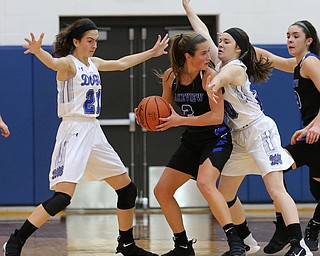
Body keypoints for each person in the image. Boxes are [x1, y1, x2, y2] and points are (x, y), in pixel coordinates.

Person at [2, 18, 169, 256]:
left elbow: (121, 63)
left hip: (94, 131)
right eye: (89, 41)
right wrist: (39, 51)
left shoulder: (94, 63)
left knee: (127, 189)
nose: (94, 45)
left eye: (96, 41)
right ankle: (16, 241)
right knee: (61, 198)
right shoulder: (68, 65)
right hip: (73, 130)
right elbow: (52, 63)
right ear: (76, 41)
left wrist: (151, 53)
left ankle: (126, 245)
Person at [182, 1, 313, 256]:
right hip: (238, 136)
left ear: (239, 49)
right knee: (225, 193)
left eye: (227, 42)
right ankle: (248, 241)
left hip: (259, 130)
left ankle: (300, 246)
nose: (220, 45)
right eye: (221, 42)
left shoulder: (236, 67)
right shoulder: (221, 62)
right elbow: (203, 32)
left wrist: (213, 82)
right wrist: (188, 8)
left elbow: (224, 77)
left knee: (276, 190)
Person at [152, 31, 246, 256]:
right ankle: (182, 245)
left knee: (205, 184)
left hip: (216, 139)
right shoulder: (170, 77)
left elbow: (216, 117)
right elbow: (165, 111)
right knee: (162, 191)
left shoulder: (209, 76)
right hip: (192, 141)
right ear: (187, 56)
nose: (208, 57)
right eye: (203, 53)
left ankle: (236, 242)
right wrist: (149, 115)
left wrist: (179, 121)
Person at [252, 20, 320, 253]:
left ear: (308, 40)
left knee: (275, 168)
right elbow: (273, 59)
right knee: (313, 187)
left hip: (317, 134)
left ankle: (294, 228)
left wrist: (316, 125)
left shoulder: (310, 62)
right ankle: (291, 228)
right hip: (312, 135)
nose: (290, 40)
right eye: (287, 36)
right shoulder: (298, 63)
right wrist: (241, 43)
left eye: (295, 36)